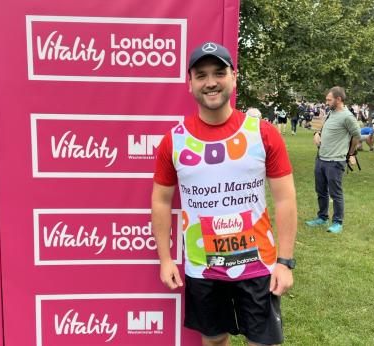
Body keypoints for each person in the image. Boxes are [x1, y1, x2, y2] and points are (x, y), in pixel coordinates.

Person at [152, 42, 297, 346]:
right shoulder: (174, 141)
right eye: (201, 74)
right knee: (214, 339)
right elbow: (161, 201)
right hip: (203, 266)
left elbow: (285, 199)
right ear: (189, 82)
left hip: (258, 262)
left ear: (234, 77)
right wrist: (165, 259)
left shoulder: (263, 133)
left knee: (262, 342)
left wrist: (285, 261)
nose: (211, 82)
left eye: (219, 72)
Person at [306, 87, 360, 234]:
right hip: (321, 158)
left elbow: (356, 135)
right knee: (321, 191)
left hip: (336, 161)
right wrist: (317, 133)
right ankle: (322, 217)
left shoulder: (347, 116)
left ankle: (337, 222)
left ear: (339, 99)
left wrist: (351, 153)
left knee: (335, 193)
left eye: (329, 99)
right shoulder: (330, 113)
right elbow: (322, 128)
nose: (326, 102)